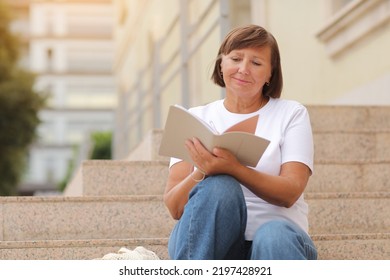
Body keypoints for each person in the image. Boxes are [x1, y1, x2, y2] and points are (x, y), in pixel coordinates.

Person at [163, 24, 317, 260]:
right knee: (219, 186)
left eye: (256, 63)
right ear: (221, 64)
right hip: (210, 243)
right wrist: (204, 170)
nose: (243, 69)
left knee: (273, 234)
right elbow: (175, 207)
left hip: (278, 244)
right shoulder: (194, 118)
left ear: (270, 74)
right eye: (235, 59)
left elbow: (290, 192)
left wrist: (234, 168)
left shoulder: (291, 114)